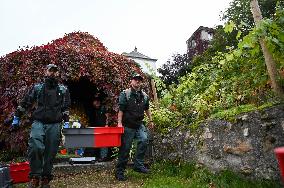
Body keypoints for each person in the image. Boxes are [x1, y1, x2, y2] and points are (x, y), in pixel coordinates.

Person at [11, 64, 71, 188]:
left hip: (55, 124)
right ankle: (34, 176)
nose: (53, 73)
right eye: (50, 71)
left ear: (58, 74)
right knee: (35, 146)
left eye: (55, 71)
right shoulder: (38, 88)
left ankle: (45, 179)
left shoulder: (63, 90)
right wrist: (16, 117)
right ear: (46, 72)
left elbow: (65, 108)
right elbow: (26, 102)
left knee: (50, 152)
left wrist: (66, 123)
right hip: (39, 122)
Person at [115, 73, 154, 181]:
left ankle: (138, 165)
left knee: (144, 139)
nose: (137, 81)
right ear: (131, 81)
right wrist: (119, 123)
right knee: (125, 149)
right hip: (127, 125)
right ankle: (120, 172)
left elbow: (147, 109)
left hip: (139, 124)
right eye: (136, 79)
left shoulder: (144, 96)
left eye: (139, 80)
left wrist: (150, 120)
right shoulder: (125, 94)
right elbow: (121, 110)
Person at [88, 97, 110, 161]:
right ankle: (98, 156)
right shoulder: (94, 110)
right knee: (97, 142)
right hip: (97, 128)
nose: (97, 103)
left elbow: (107, 116)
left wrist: (106, 125)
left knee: (104, 142)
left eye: (98, 101)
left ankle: (104, 156)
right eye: (95, 101)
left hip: (103, 127)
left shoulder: (103, 108)